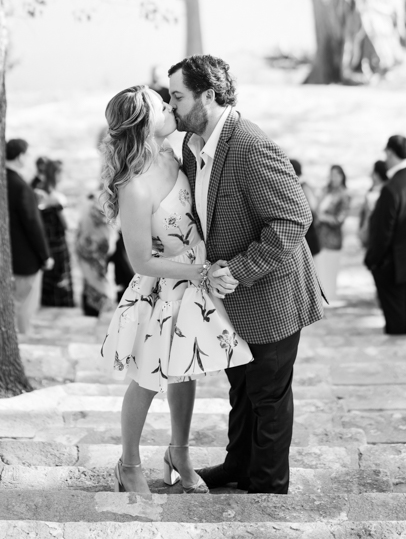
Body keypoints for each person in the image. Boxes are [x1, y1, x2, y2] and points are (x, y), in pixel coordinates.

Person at [169, 55, 323, 495]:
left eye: (178, 97)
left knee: (269, 396)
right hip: (232, 300)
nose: (173, 106)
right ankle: (239, 466)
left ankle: (269, 485)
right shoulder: (191, 147)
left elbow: (294, 218)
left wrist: (238, 270)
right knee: (242, 386)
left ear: (208, 96)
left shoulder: (251, 144)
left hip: (273, 293)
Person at [100, 84, 252, 495]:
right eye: (162, 106)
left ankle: (178, 452)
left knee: (187, 369)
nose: (171, 109)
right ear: (144, 122)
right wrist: (197, 272)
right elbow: (141, 261)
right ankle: (128, 464)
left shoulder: (174, 154)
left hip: (195, 279)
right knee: (149, 376)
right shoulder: (134, 186)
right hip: (164, 285)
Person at [365, 135, 406, 336]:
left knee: (396, 321)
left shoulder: (391, 188)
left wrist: (373, 260)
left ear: (391, 153)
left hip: (393, 263)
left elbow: (383, 232)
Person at [5, 138, 53, 333]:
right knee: (24, 305)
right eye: (26, 154)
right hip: (25, 259)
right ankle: (23, 341)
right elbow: (33, 225)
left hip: (7, 254)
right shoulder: (20, 186)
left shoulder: (0, 180)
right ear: (19, 157)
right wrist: (45, 255)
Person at [34, 159, 75, 308]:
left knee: (49, 277)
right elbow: (66, 224)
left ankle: (48, 303)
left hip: (47, 241)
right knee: (60, 277)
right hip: (58, 242)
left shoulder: (39, 191)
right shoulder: (56, 197)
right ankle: (60, 306)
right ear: (56, 173)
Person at [76, 192, 117, 316]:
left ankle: (93, 307)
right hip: (93, 247)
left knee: (92, 277)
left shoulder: (90, 203)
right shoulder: (101, 206)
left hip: (89, 245)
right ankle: (96, 307)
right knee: (95, 276)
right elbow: (107, 226)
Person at [314, 165, 350, 299]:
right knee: (320, 269)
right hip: (319, 237)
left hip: (333, 238)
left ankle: (329, 297)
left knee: (330, 270)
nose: (333, 178)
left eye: (336, 175)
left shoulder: (344, 194)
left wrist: (324, 218)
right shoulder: (324, 191)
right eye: (331, 175)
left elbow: (340, 218)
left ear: (342, 176)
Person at [290, 159, 319, 256]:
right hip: (308, 230)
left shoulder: (302, 186)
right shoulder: (304, 185)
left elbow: (312, 207)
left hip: (307, 232)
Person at [358, 161, 388, 249]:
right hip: (369, 232)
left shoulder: (385, 191)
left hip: (376, 234)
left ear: (377, 174)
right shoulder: (371, 190)